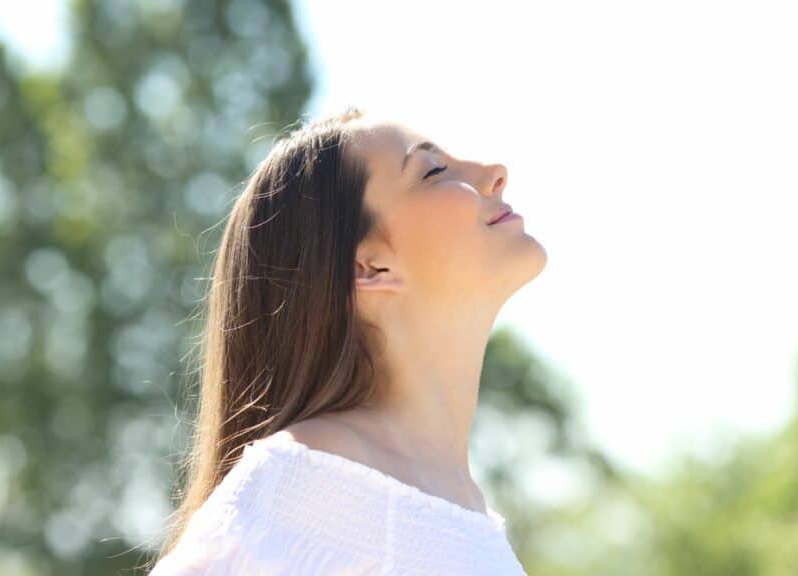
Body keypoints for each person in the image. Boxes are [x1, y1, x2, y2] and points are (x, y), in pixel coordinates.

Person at [147, 105, 547, 574]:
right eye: (433, 170)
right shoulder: (304, 486)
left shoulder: (463, 512)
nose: (494, 174)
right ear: (369, 268)